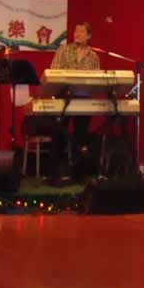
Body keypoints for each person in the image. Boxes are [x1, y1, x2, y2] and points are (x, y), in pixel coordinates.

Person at [45, 23, 101, 180]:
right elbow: (53, 72)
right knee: (59, 133)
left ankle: (78, 173)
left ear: (89, 36)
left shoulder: (94, 57)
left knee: (81, 135)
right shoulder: (63, 50)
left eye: (82, 31)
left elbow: (96, 81)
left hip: (84, 98)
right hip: (64, 96)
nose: (77, 34)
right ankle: (54, 173)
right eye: (76, 31)